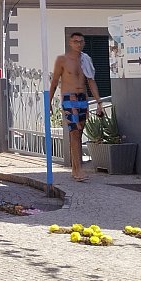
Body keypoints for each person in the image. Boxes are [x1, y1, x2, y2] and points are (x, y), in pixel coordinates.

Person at [48, 32, 103, 183]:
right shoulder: (62, 60)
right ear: (70, 43)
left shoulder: (85, 60)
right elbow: (54, 82)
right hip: (69, 98)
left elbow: (91, 81)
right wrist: (49, 103)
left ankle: (75, 169)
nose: (78, 44)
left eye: (81, 41)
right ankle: (78, 169)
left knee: (79, 133)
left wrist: (99, 102)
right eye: (75, 41)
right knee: (74, 132)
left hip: (82, 99)